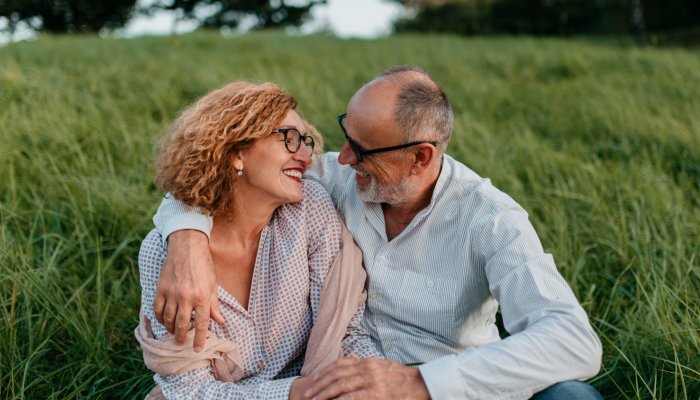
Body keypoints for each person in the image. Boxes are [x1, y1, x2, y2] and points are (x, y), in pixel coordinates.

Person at [152, 66, 604, 399]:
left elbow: (573, 341)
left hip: (447, 384)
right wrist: (187, 238)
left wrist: (419, 383)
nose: (342, 158)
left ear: (421, 157)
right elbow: (217, 175)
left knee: (572, 397)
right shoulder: (332, 180)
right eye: (345, 135)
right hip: (348, 377)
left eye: (362, 149)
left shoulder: (490, 218)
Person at [136, 81, 381, 400]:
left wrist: (377, 381)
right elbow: (190, 389)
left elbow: (346, 331)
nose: (306, 157)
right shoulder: (164, 252)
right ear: (236, 152)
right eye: (289, 139)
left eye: (305, 141)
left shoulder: (310, 209)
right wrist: (295, 393)